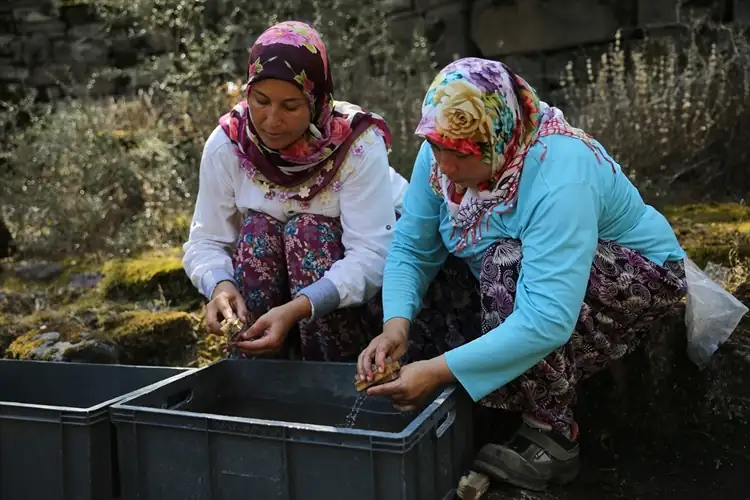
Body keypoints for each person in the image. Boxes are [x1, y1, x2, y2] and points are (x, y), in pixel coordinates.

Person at [356, 57, 688, 491]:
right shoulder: (442, 149)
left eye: (460, 154)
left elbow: (547, 319)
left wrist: (436, 370)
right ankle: (482, 396)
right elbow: (412, 245)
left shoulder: (558, 175)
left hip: (633, 276)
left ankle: (552, 432)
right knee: (446, 267)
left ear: (499, 140)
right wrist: (395, 326)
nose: (446, 168)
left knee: (506, 262)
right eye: (437, 148)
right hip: (528, 271)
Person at [182, 21, 411, 362]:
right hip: (285, 276)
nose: (272, 119)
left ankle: (337, 379)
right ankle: (258, 373)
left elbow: (372, 255)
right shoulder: (229, 145)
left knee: (307, 231)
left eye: (290, 107)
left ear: (317, 101)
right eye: (260, 101)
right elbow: (207, 240)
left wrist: (298, 308)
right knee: (260, 230)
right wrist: (219, 286)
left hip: (362, 295)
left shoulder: (356, 146)